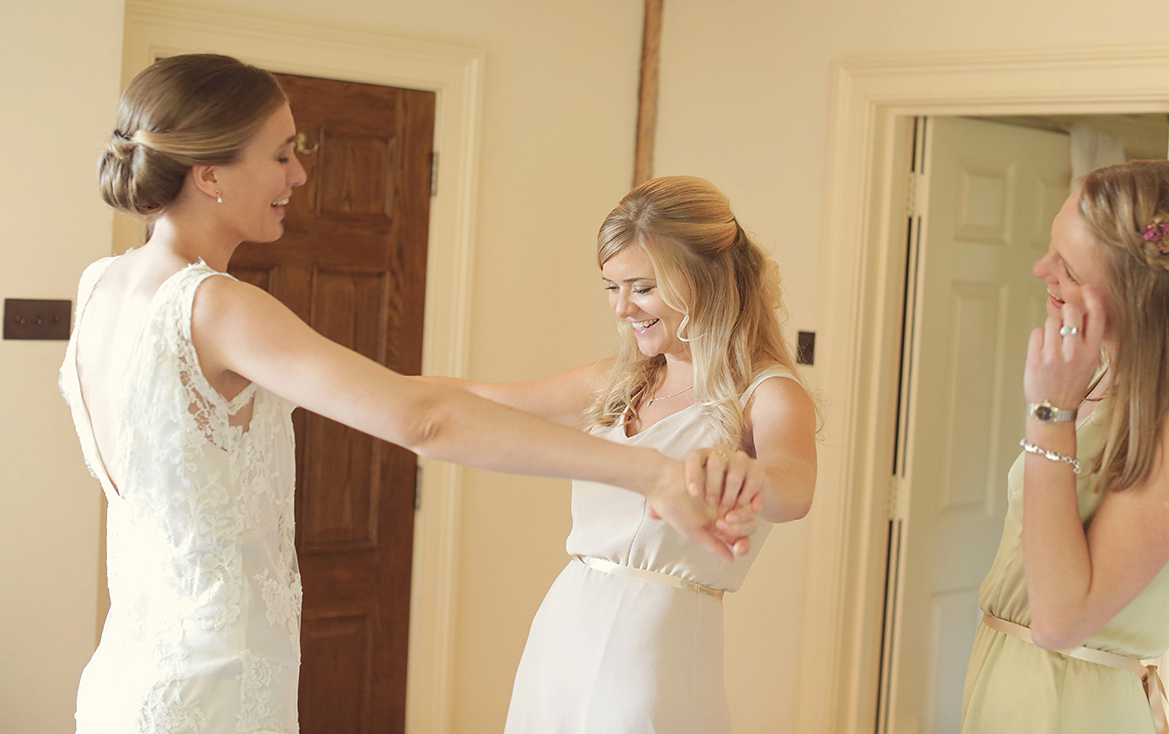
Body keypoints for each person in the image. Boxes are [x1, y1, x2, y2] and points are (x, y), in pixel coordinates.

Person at [60, 54, 752, 734]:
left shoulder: (102, 287)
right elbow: (424, 422)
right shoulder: (217, 306)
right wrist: (654, 472)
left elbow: (395, 396)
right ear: (209, 174)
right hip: (216, 685)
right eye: (280, 156)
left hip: (132, 672)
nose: (299, 174)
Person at [424, 176, 819, 733]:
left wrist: (746, 476)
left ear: (704, 280)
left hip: (654, 646)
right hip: (564, 627)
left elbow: (794, 486)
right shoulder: (620, 381)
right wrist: (337, 387)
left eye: (641, 286)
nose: (622, 308)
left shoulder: (766, 393)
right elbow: (486, 403)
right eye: (611, 287)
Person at [961, 160, 1169, 734]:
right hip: (1014, 685)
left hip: (1066, 704)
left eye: (1065, 267)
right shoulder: (1103, 379)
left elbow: (1062, 620)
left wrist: (1050, 414)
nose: (1041, 269)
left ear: (1134, 289)